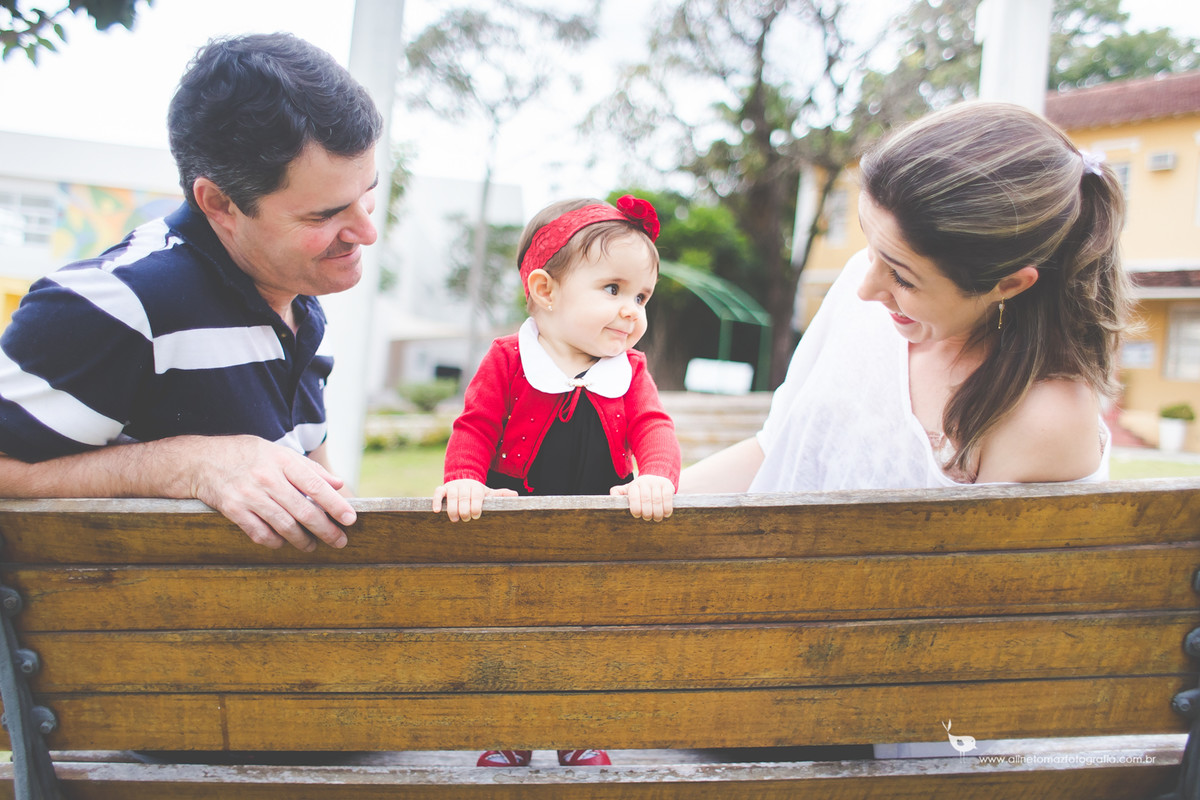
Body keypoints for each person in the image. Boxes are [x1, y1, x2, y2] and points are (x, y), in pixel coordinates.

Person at [0, 33, 382, 552]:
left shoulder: (298, 297)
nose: (366, 232)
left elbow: (324, 492)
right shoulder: (117, 300)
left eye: (368, 193)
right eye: (324, 214)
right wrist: (184, 464)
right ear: (219, 203)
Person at [681, 101, 1130, 495]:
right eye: (870, 248)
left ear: (1008, 285)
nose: (865, 288)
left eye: (902, 277)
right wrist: (623, 507)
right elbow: (775, 449)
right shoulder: (862, 283)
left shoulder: (1045, 417)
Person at [433, 195, 682, 768]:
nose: (632, 311)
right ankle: (510, 729)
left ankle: (579, 726)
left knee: (588, 629)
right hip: (513, 524)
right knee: (511, 627)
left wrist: (657, 479)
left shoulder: (631, 372)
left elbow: (655, 430)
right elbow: (473, 427)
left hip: (597, 529)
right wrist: (466, 481)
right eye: (613, 290)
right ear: (545, 291)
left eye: (641, 296)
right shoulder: (509, 361)